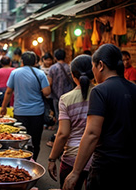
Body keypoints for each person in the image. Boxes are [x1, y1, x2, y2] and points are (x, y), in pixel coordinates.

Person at [63, 44, 136, 190]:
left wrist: (76, 172)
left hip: (106, 166)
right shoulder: (134, 88)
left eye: (93, 67)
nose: (93, 71)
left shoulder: (100, 91)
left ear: (100, 65)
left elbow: (91, 134)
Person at [48, 55, 94, 190]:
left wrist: (52, 159)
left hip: (72, 158)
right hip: (97, 158)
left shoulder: (66, 99)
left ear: (73, 75)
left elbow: (63, 133)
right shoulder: (103, 94)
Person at [0, 51, 51, 160]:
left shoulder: (15, 73)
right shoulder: (40, 73)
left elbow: (8, 92)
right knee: (35, 141)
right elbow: (47, 92)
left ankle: (21, 163)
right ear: (36, 61)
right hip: (37, 113)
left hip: (20, 113)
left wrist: (4, 107)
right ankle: (33, 162)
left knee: (19, 140)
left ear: (21, 61)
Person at [47, 49, 74, 147]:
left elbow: (49, 83)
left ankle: (58, 140)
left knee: (60, 118)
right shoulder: (69, 67)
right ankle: (66, 139)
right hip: (69, 97)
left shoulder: (52, 68)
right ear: (65, 57)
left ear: (55, 57)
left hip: (56, 97)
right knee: (68, 118)